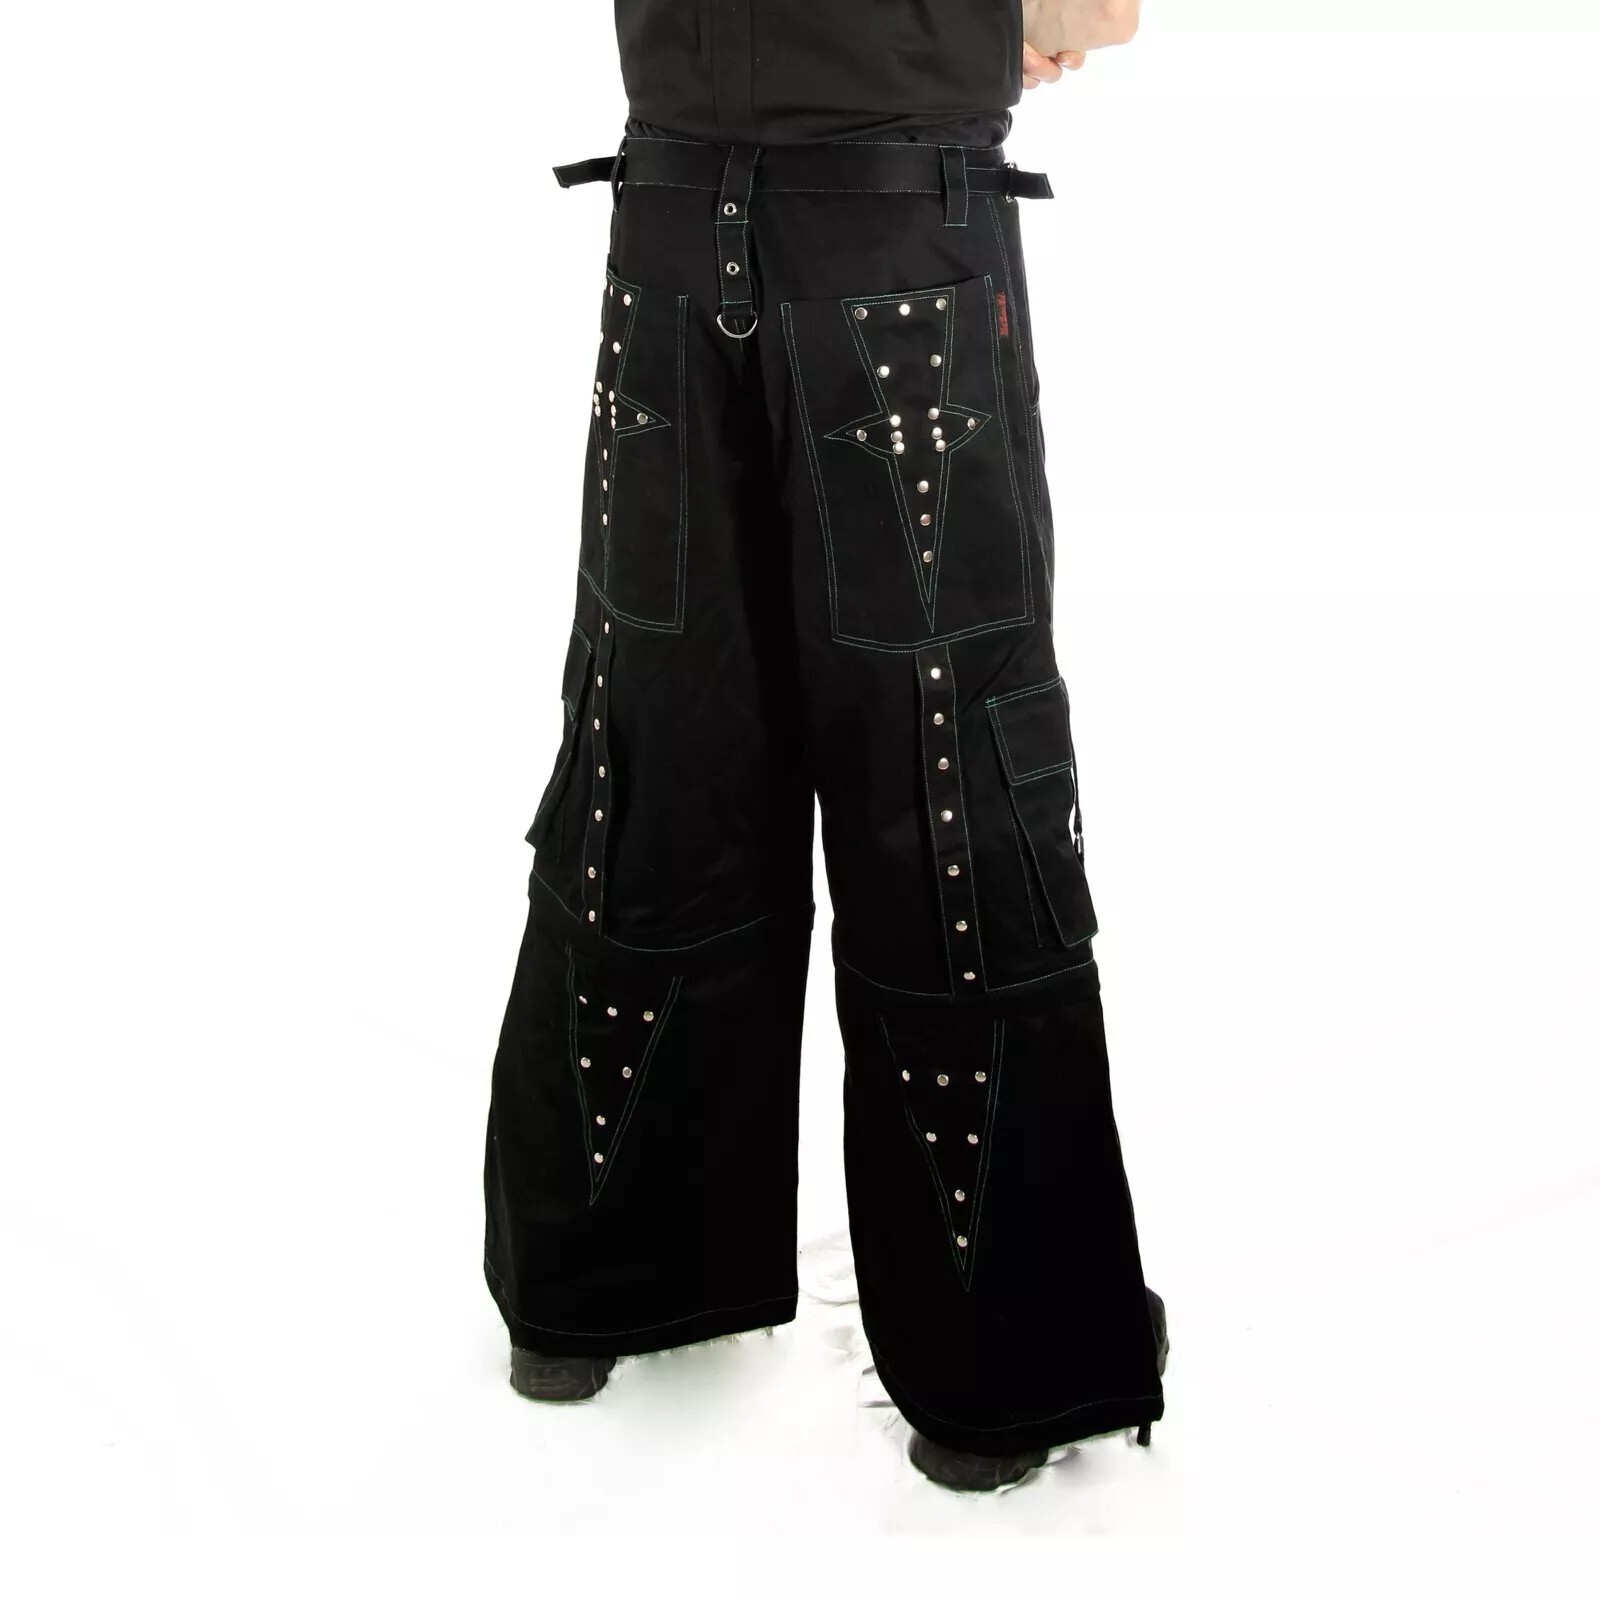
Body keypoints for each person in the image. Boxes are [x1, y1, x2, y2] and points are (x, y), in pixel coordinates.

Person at [481, 0, 1166, 1494]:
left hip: (676, 223)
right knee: (937, 764)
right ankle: (997, 1377)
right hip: (893, 234)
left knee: (656, 741)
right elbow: (1089, 12)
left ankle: (586, 1294)